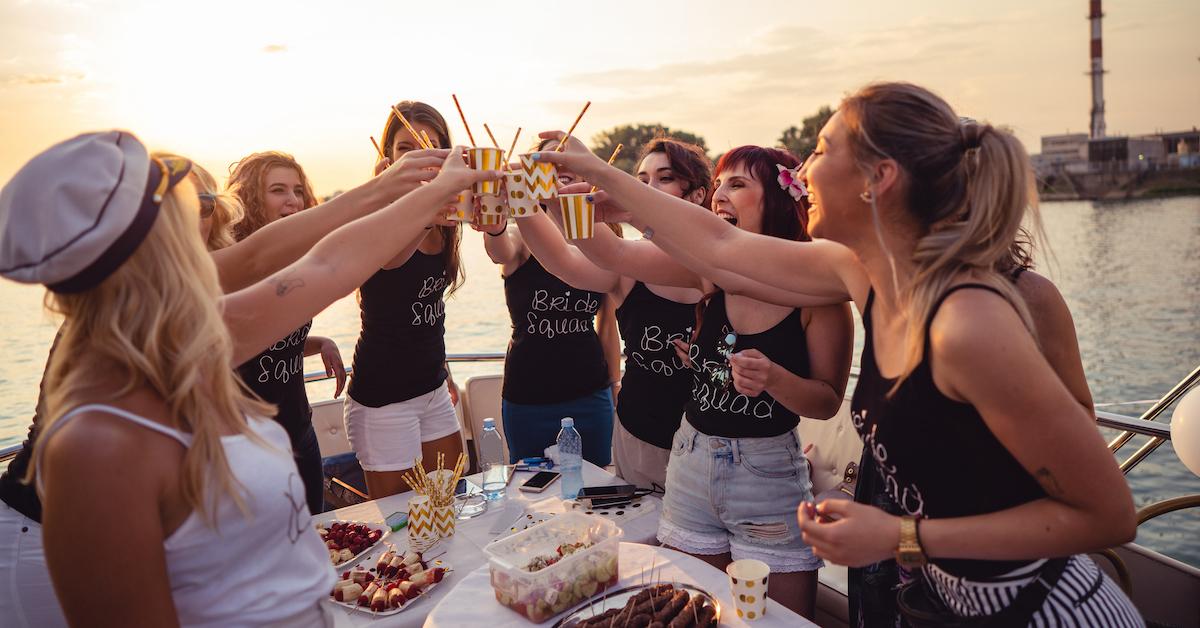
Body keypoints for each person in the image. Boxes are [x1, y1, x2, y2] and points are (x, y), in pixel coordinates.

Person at [533, 81, 1142, 624]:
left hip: (1041, 610)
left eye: (822, 150)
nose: (805, 171)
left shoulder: (967, 321)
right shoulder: (861, 274)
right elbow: (720, 246)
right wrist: (611, 186)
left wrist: (903, 537)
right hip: (947, 601)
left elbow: (1108, 515)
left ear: (879, 179)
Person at [0, 131, 495, 627]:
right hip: (31, 551)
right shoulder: (99, 438)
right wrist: (424, 194)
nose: (210, 216)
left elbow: (318, 262)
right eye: (192, 204)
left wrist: (401, 189)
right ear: (156, 242)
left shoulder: (173, 331)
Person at [555, 145, 853, 618]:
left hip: (768, 480)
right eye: (719, 183)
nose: (720, 195)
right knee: (690, 617)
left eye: (738, 184)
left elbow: (827, 401)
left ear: (778, 198)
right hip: (691, 464)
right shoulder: (709, 275)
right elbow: (610, 251)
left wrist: (775, 379)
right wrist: (562, 204)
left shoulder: (820, 294)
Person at [516, 137, 710, 489]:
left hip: (716, 443)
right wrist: (522, 198)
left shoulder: (720, 265)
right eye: (642, 180)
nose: (648, 189)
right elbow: (564, 261)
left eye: (664, 178)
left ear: (698, 194)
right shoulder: (627, 262)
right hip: (641, 438)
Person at [343, 101, 465, 498]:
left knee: (449, 502)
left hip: (431, 388)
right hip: (383, 398)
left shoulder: (447, 219)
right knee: (401, 522)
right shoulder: (378, 212)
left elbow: (430, 311)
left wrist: (443, 371)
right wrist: (427, 213)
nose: (421, 155)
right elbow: (392, 260)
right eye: (406, 148)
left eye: (432, 144)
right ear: (388, 157)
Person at [474, 138, 620, 467]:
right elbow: (501, 250)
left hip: (590, 394)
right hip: (528, 398)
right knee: (530, 495)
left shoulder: (606, 241)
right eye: (549, 166)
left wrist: (615, 384)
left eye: (568, 166)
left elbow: (608, 326)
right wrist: (494, 227)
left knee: (593, 491)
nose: (559, 174)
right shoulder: (524, 239)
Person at [226, 151, 346, 514]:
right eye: (278, 190)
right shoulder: (231, 267)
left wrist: (318, 342)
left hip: (300, 431)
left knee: (317, 539)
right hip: (251, 446)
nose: (292, 199)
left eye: (297, 190)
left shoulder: (293, 263)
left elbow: (270, 335)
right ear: (248, 198)